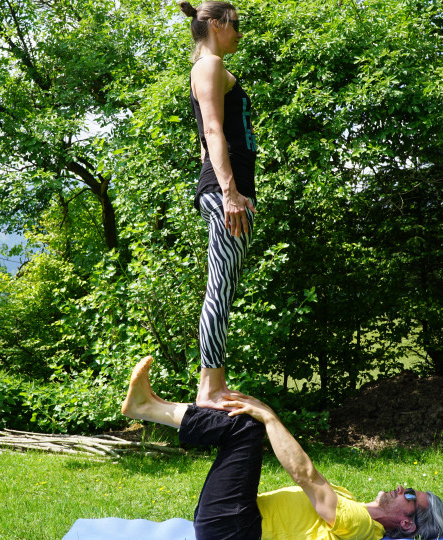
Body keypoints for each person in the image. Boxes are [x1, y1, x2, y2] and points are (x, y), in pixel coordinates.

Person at [122, 356, 443, 540]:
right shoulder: (351, 502)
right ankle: (151, 406)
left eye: (412, 495)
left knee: (245, 427)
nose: (404, 488)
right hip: (234, 522)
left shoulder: (361, 527)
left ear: (407, 524)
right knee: (245, 424)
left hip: (234, 531)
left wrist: (270, 419)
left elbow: (306, 475)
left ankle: (147, 408)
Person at [180, 1, 258, 410]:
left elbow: (209, 136)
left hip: (232, 189)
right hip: (227, 192)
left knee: (223, 288)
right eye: (235, 24)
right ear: (214, 23)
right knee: (220, 287)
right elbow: (211, 130)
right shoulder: (208, 65)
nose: (239, 33)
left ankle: (213, 384)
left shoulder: (214, 66)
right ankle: (209, 390)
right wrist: (228, 191)